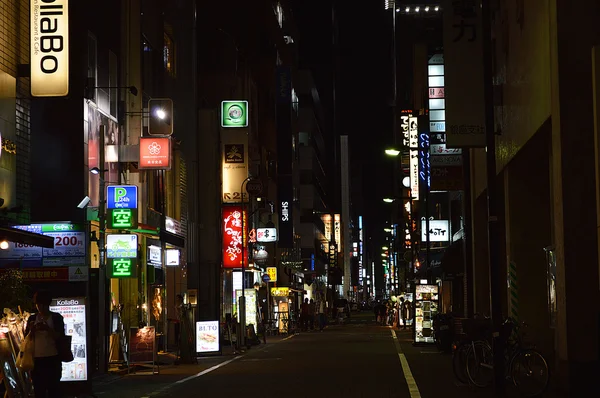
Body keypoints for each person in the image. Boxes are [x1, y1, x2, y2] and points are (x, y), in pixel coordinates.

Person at [25, 290, 65, 398]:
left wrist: (47, 329)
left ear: (48, 304)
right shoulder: (32, 319)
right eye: (38, 304)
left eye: (43, 305)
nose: (41, 307)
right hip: (37, 361)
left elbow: (59, 336)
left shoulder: (56, 318)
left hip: (53, 359)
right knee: (39, 390)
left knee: (54, 390)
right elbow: (26, 339)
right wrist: (32, 330)